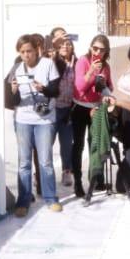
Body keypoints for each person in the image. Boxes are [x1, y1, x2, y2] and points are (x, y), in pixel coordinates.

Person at [7, 34, 62, 216]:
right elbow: (12, 101)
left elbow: (56, 91)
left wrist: (43, 88)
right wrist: (13, 90)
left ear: (36, 50)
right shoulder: (16, 68)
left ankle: (50, 198)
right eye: (22, 52)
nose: (26, 55)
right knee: (24, 162)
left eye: (29, 51)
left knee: (45, 161)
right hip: (23, 118)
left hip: (44, 119)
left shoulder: (47, 64)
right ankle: (23, 201)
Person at [71, 34, 113, 199]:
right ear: (90, 48)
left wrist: (105, 89)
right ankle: (78, 182)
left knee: (95, 145)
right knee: (78, 146)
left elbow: (110, 86)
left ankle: (96, 179)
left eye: (101, 50)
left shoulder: (106, 66)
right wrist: (91, 72)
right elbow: (80, 86)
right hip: (80, 107)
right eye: (95, 48)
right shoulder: (83, 61)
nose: (97, 52)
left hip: (96, 108)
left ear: (105, 51)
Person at [52, 37, 78, 188]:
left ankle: (66, 171)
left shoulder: (77, 62)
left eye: (68, 44)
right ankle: (41, 174)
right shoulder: (53, 61)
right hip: (53, 108)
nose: (65, 47)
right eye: (62, 45)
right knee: (47, 143)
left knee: (67, 143)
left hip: (69, 108)